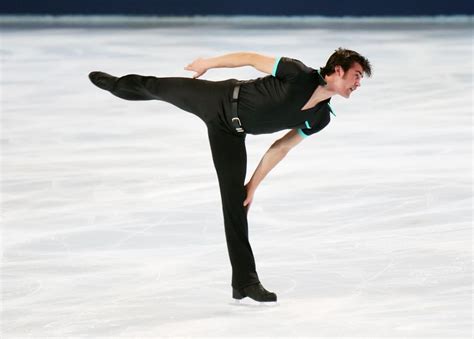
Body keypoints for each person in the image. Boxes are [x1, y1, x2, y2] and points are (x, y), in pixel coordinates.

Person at [88, 48, 372, 303]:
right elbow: (249, 58)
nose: (358, 83)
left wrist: (253, 185)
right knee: (158, 87)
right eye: (356, 75)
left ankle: (244, 282)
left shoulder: (319, 118)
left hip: (230, 135)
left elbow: (281, 147)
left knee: (237, 205)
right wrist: (208, 63)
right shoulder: (297, 73)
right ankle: (116, 85)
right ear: (338, 69)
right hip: (218, 98)